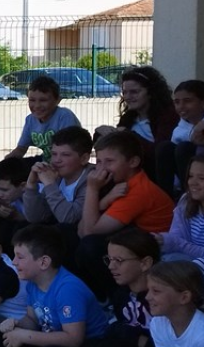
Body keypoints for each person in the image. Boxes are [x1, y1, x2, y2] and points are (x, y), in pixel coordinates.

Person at [73, 130, 175, 301]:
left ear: (133, 162)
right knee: (68, 234)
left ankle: (117, 300)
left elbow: (88, 232)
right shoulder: (118, 185)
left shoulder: (136, 191)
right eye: (98, 162)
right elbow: (80, 230)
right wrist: (103, 201)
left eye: (110, 161)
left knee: (92, 246)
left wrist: (92, 189)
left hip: (156, 251)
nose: (102, 168)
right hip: (136, 243)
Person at [96, 66, 176, 190]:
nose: (127, 97)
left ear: (150, 92)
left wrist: (129, 136)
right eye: (124, 92)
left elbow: (160, 153)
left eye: (134, 92)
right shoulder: (129, 118)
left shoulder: (167, 116)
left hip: (156, 178)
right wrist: (102, 133)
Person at [21, 126, 94, 226]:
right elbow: (35, 218)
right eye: (54, 154)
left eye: (65, 155)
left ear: (84, 158)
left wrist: (50, 185)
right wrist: (31, 186)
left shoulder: (92, 180)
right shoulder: (56, 177)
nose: (57, 160)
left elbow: (69, 218)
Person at [5, 76, 81, 163]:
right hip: (47, 163)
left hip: (66, 165)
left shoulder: (64, 116)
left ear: (57, 100)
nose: (37, 106)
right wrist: (6, 162)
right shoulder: (30, 120)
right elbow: (21, 149)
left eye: (43, 100)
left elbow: (68, 151)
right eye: (32, 100)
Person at [156, 80, 204, 197]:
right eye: (177, 102)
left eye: (187, 101)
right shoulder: (179, 131)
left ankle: (191, 198)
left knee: (184, 147)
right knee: (165, 147)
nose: (181, 106)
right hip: (189, 176)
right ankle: (166, 198)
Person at [158, 156, 204, 262]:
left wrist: (176, 244)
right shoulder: (186, 201)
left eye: (202, 178)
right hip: (188, 262)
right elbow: (175, 237)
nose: (193, 182)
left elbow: (176, 243)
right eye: (190, 176)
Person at [0, 157, 30, 250]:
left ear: (23, 186)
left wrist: (16, 216)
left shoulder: (39, 194)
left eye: (4, 190)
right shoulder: (12, 198)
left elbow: (40, 225)